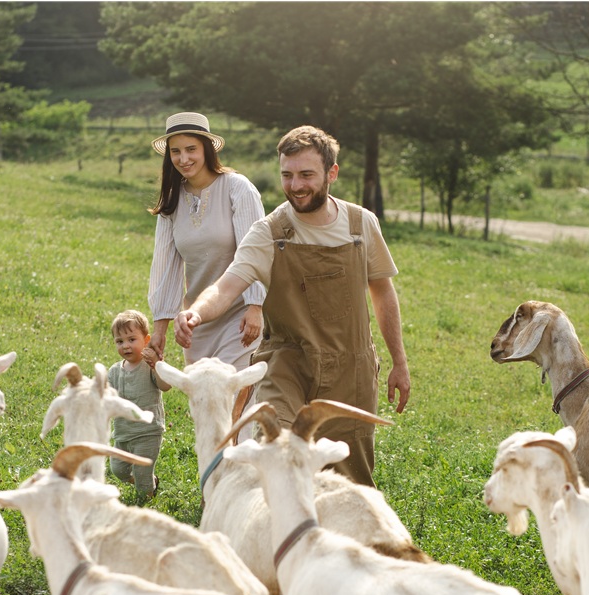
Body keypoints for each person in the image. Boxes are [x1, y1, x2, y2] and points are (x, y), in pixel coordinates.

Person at [174, 125, 411, 487]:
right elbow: (227, 286)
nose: (296, 185)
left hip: (352, 368)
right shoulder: (269, 232)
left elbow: (382, 291)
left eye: (306, 175)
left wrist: (399, 362)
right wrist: (197, 311)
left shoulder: (361, 225)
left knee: (348, 480)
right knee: (275, 452)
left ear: (331, 173)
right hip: (287, 363)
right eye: (287, 175)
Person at [147, 111, 266, 373]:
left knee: (233, 398)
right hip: (197, 322)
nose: (184, 158)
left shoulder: (238, 188)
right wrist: (160, 330)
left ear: (207, 149)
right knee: (204, 401)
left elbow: (256, 250)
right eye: (176, 151)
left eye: (191, 149)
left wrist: (255, 305)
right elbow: (165, 267)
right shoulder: (172, 200)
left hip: (241, 315)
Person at [108, 309, 170, 499]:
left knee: (142, 477)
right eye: (120, 341)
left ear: (146, 339)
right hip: (123, 433)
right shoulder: (114, 371)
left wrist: (157, 366)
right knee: (118, 469)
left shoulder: (149, 366)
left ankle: (147, 498)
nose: (125, 345)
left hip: (147, 432)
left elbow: (165, 386)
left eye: (131, 339)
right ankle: (149, 482)